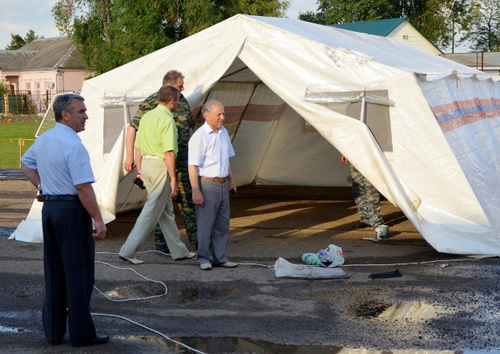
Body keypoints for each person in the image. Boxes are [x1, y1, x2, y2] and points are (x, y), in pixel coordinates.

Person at [21, 94, 109, 347]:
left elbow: (26, 163)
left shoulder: (45, 139)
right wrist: (98, 220)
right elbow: (83, 187)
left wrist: (43, 186)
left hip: (51, 209)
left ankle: (54, 331)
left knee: (54, 270)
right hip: (71, 210)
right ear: (65, 115)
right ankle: (81, 334)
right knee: (78, 273)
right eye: (81, 111)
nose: (86, 116)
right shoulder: (73, 145)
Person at [119, 86, 196, 264]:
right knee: (151, 209)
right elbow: (169, 152)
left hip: (146, 164)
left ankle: (178, 250)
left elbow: (138, 145)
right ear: (172, 101)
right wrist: (174, 179)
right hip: (160, 165)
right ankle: (128, 250)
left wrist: (140, 169)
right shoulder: (168, 120)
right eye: (177, 100)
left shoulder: (146, 116)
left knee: (166, 211)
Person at [188, 99, 238, 270]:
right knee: (205, 223)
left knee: (222, 224)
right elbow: (192, 165)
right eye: (219, 114)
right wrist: (196, 190)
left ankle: (220, 257)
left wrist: (231, 180)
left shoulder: (223, 132)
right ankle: (203, 258)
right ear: (206, 115)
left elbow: (226, 158)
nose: (222, 117)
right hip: (208, 184)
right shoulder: (199, 137)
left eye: (223, 113)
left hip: (223, 183)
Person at [341, 155, 386, 230]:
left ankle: (376, 220)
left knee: (371, 190)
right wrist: (344, 152)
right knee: (358, 189)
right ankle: (365, 219)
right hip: (355, 155)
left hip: (368, 156)